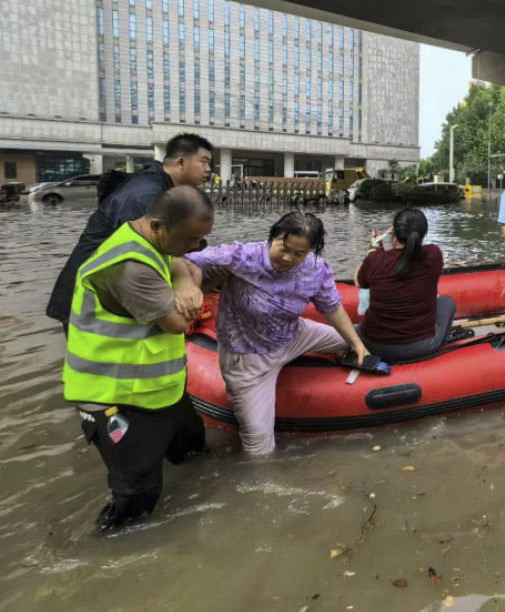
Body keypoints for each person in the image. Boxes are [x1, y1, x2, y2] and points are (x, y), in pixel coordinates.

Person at [63, 186, 214, 531]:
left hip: (158, 388)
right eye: (190, 238)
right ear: (158, 226)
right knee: (138, 491)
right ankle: (111, 546)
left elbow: (186, 265)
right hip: (112, 395)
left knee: (191, 447)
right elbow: (177, 323)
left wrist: (187, 283)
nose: (196, 248)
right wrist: (191, 287)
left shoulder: (147, 238)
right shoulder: (129, 268)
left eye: (202, 239)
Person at [182, 212, 368, 455]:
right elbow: (185, 261)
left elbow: (331, 307)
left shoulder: (315, 269)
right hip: (248, 358)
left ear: (310, 251)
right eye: (284, 247)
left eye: (299, 253)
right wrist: (191, 286)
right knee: (260, 451)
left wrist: (356, 344)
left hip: (295, 334)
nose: (288, 258)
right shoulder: (241, 256)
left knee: (356, 341)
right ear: (273, 237)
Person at [47, 133, 214, 331]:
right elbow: (151, 248)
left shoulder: (158, 188)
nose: (208, 170)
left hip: (111, 293)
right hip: (91, 301)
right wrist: (186, 280)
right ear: (180, 161)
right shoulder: (145, 195)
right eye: (204, 162)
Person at [355, 208, 456, 361]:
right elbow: (406, 258)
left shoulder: (375, 260)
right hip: (421, 346)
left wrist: (373, 249)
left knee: (356, 328)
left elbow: (359, 281)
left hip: (373, 344)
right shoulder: (434, 255)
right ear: (423, 235)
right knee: (447, 302)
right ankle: (441, 350)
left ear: (393, 234)